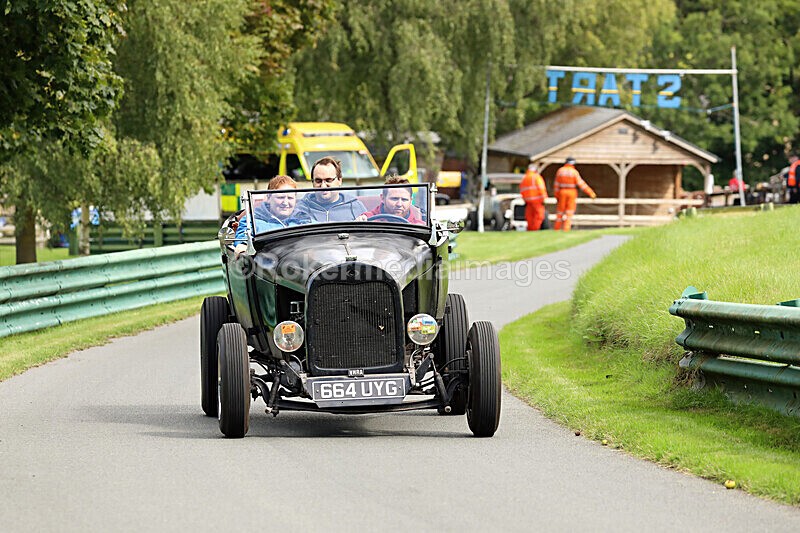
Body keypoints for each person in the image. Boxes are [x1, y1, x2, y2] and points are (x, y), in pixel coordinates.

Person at [233, 175, 309, 255]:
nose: (285, 203)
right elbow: (243, 236)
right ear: (269, 198)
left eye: (290, 198)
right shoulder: (252, 220)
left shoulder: (304, 219)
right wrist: (243, 245)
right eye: (280, 197)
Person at [294, 156, 367, 221]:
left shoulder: (355, 206)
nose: (323, 186)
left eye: (328, 180)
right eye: (318, 181)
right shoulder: (301, 209)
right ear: (313, 182)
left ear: (339, 180)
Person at [356, 175, 425, 224]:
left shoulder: (419, 226)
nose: (399, 204)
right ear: (383, 198)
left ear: (410, 201)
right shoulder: (366, 220)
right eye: (394, 199)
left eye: (404, 200)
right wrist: (360, 222)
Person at [553, 157, 596, 231]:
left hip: (562, 192)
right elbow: (581, 184)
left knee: (560, 211)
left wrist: (557, 196)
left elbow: (556, 185)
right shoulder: (574, 172)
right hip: (571, 192)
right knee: (569, 211)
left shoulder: (560, 171)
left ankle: (557, 228)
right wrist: (591, 193)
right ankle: (566, 228)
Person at [519, 163, 548, 231]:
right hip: (537, 200)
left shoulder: (525, 178)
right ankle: (535, 229)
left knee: (529, 216)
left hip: (528, 201)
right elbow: (541, 188)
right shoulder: (536, 177)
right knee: (539, 216)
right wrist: (544, 198)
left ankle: (530, 229)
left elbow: (522, 190)